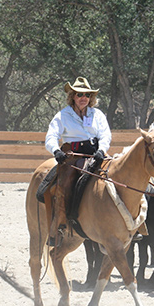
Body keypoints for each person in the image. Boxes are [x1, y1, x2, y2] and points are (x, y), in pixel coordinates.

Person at [44, 76, 112, 244]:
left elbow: (105, 135)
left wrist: (102, 150)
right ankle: (60, 224)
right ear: (73, 96)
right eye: (80, 94)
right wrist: (56, 151)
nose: (84, 98)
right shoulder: (62, 116)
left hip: (97, 154)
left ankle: (131, 223)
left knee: (117, 176)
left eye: (87, 95)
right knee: (64, 185)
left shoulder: (98, 115)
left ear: (91, 98)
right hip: (73, 158)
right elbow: (51, 137)